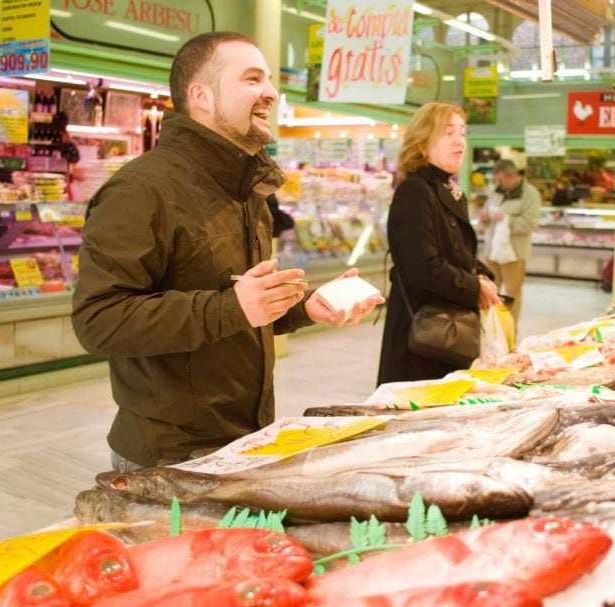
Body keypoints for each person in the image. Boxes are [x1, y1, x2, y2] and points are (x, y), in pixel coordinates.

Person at [72, 32, 383, 471]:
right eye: (252, 79)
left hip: (247, 439)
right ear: (201, 96)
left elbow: (239, 308)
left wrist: (303, 306)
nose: (271, 93)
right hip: (169, 457)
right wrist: (230, 307)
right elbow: (97, 320)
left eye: (270, 80)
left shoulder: (247, 190)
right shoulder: (140, 190)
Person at [377, 103, 501, 385]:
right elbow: (422, 266)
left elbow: (455, 251)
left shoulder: (449, 190)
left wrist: (480, 274)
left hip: (449, 326)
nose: (459, 141)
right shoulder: (414, 192)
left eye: (462, 132)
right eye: (448, 133)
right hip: (425, 329)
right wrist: (473, 286)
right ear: (422, 145)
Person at [479, 159, 540, 326]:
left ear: (512, 176)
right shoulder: (498, 192)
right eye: (496, 180)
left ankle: (510, 333)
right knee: (488, 291)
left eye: (500, 180)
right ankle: (490, 329)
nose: (497, 184)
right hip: (491, 252)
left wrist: (507, 220)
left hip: (513, 254)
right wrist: (484, 216)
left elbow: (531, 223)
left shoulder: (530, 194)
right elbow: (486, 211)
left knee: (512, 294)